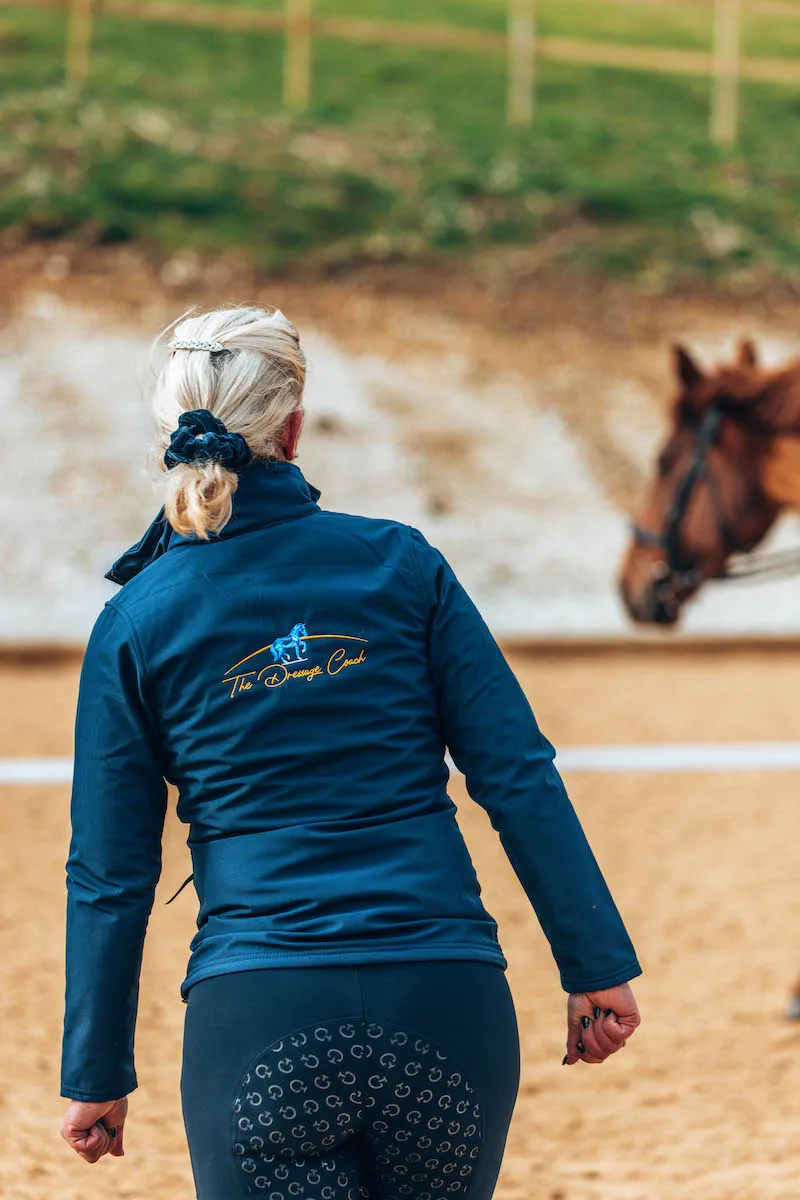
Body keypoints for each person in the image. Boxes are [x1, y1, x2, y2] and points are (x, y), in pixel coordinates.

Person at [59, 305, 642, 1200]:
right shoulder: (403, 566)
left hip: (261, 1017)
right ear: (294, 424)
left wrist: (97, 1070)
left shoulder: (138, 617)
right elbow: (516, 774)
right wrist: (596, 966)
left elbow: (111, 872)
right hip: (447, 1007)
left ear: (172, 426)